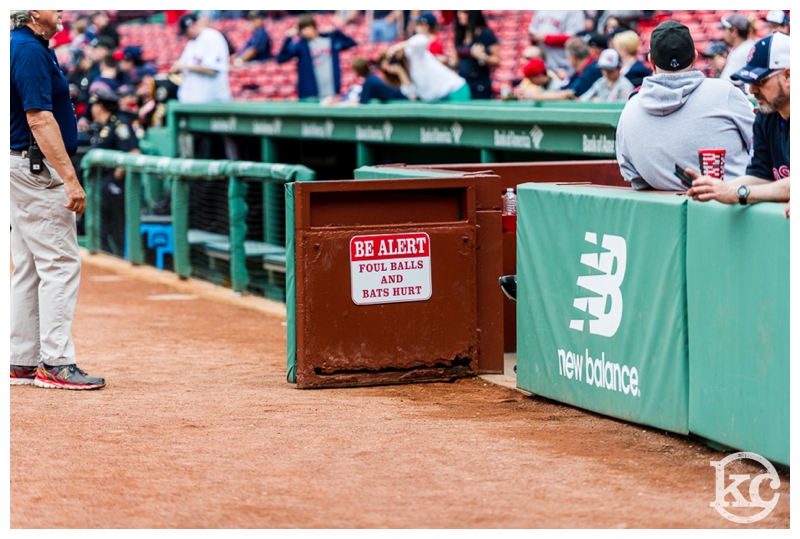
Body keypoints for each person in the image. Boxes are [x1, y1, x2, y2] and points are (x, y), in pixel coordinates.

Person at [10, 10, 105, 389]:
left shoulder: (27, 45)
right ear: (33, 12)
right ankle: (55, 362)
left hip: (23, 162)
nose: (62, 9)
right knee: (60, 264)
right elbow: (38, 117)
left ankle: (21, 361)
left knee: (30, 266)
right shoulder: (28, 48)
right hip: (36, 166)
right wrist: (70, 178)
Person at [615, 20, 754, 191]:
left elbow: (634, 177)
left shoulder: (630, 108)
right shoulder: (724, 92)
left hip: (666, 207)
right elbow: (762, 147)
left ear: (651, 61)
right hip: (738, 202)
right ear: (694, 57)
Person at [687, 31, 790, 210]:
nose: (752, 90)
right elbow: (760, 176)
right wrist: (717, 188)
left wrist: (737, 193)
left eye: (760, 81)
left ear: (788, 76)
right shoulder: (766, 115)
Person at [87, 87, 141, 255]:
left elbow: (134, 152)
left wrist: (115, 178)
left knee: (117, 228)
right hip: (101, 183)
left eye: (94, 105)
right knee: (102, 227)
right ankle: (105, 255)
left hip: (115, 185)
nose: (92, 109)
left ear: (100, 107)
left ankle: (121, 258)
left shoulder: (119, 123)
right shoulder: (102, 126)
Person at [277, 14, 357, 100]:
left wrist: (336, 32)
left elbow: (351, 43)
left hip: (331, 91)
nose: (306, 32)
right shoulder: (301, 45)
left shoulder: (329, 40)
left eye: (308, 28)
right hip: (310, 93)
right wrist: (289, 37)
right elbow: (281, 58)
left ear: (314, 27)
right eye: (303, 29)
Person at [385, 33, 471, 102]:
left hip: (455, 90)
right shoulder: (401, 73)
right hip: (438, 101)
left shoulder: (412, 51)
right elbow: (411, 93)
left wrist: (398, 46)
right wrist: (400, 72)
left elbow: (422, 39)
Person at [171, 13, 232, 104]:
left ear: (193, 25)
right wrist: (178, 68)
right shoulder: (191, 43)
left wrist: (184, 67)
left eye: (186, 32)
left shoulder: (212, 37)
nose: (185, 35)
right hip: (193, 102)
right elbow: (181, 65)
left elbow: (212, 69)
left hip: (212, 103)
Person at [451, 10, 500, 99]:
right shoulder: (460, 35)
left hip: (479, 85)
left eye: (464, 12)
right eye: (458, 12)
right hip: (463, 84)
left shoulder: (485, 33)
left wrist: (482, 57)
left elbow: (496, 60)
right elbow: (455, 60)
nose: (459, 15)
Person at [527, 10, 586, 76]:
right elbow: (532, 30)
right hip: (545, 61)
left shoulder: (575, 11)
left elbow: (576, 38)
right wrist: (534, 37)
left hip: (564, 64)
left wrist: (547, 38)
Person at [718, 14, 755, 86]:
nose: (723, 33)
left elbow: (725, 85)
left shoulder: (741, 53)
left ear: (734, 32)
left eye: (725, 29)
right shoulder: (747, 46)